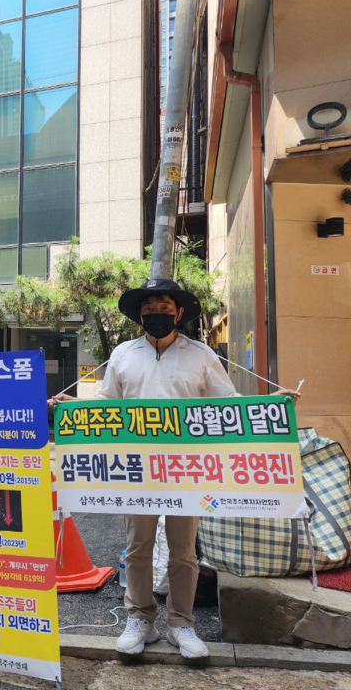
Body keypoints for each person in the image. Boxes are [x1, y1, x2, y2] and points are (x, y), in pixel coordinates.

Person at [49, 279, 300, 659]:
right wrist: (73, 407)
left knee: (184, 551)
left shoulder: (200, 355)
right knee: (137, 547)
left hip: (188, 470)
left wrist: (270, 404)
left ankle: (181, 624)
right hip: (136, 469)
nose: (157, 314)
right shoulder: (121, 354)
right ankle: (139, 619)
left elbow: (229, 403)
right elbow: (105, 408)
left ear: (178, 313)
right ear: (140, 315)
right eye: (150, 309)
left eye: (165, 307)